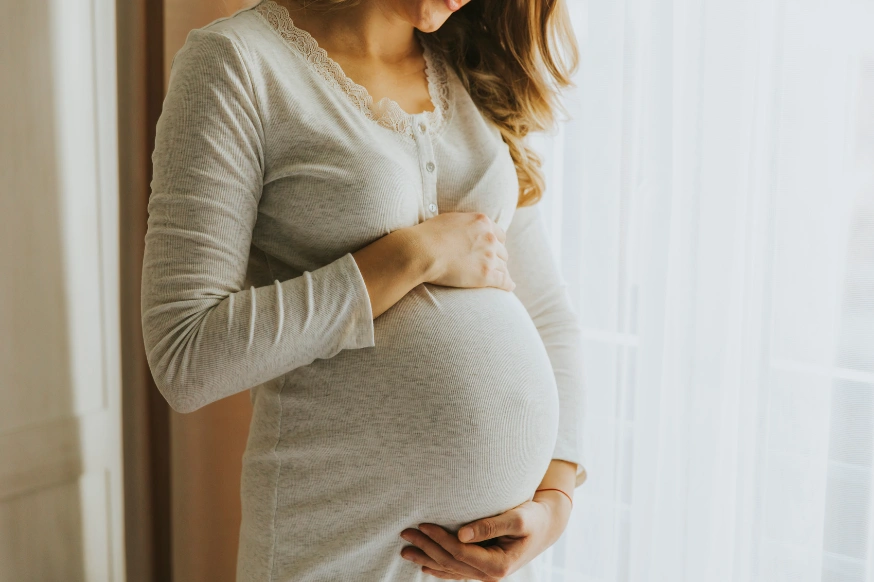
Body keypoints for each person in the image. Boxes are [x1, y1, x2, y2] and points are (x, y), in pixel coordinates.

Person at [141, 0, 587, 579]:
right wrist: (409, 258)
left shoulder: (471, 64)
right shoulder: (238, 63)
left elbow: (547, 311)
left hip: (487, 565)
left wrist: (555, 503)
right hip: (337, 550)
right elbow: (185, 357)